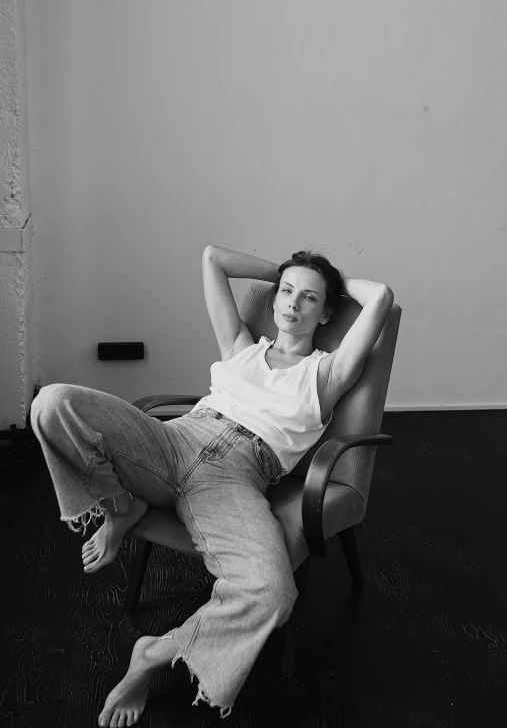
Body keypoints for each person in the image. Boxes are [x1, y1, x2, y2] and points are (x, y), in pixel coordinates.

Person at [30, 245, 393, 727]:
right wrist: (287, 271)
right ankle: (120, 507)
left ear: (326, 312)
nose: (291, 303)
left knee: (272, 594)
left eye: (309, 299)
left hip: (237, 474)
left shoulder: (325, 373)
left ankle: (155, 653)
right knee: (53, 403)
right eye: (286, 292)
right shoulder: (241, 348)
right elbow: (212, 259)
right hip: (174, 439)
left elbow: (382, 296)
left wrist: (333, 282)